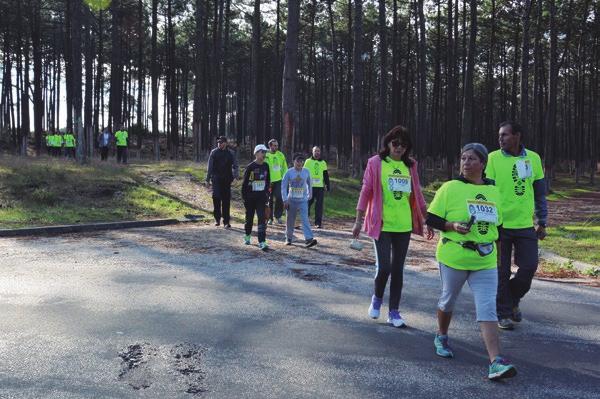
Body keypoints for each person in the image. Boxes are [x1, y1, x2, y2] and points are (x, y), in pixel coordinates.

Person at [426, 143, 517, 381]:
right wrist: (452, 226)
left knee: (487, 308)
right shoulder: (449, 188)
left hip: (484, 260)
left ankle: (496, 361)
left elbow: (498, 226)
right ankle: (441, 334)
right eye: (463, 158)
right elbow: (431, 218)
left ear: (483, 164)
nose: (466, 163)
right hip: (454, 256)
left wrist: (497, 256)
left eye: (472, 159)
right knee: (447, 301)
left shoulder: (494, 191)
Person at [352, 125, 431, 328]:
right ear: (388, 143)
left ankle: (394, 311)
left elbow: (418, 193)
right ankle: (377, 298)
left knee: (398, 269)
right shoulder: (376, 163)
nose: (398, 148)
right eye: (395, 143)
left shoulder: (411, 165)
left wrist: (426, 218)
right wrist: (358, 220)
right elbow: (366, 190)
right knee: (385, 267)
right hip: (382, 224)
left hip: (403, 224)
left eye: (403, 145)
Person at [485, 121, 547, 330]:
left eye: (505, 135)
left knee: (529, 266)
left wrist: (542, 221)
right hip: (500, 225)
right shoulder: (492, 158)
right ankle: (503, 313)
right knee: (501, 272)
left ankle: (511, 299)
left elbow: (539, 192)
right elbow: (487, 190)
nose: (500, 138)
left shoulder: (534, 158)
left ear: (517, 136)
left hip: (524, 225)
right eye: (499, 135)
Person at [281, 153, 317, 248]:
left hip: (303, 200)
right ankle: (288, 238)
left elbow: (310, 183)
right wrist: (285, 200)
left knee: (305, 219)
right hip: (291, 200)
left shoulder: (306, 171)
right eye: (298, 161)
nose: (300, 163)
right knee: (290, 220)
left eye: (302, 161)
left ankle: (309, 239)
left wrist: (310, 194)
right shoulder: (289, 172)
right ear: (294, 161)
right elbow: (283, 187)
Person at [241, 144, 271, 251]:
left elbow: (268, 182)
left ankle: (262, 241)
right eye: (263, 152)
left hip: (261, 198)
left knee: (261, 219)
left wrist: (267, 195)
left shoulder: (266, 166)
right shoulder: (250, 167)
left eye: (265, 152)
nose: (264, 154)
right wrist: (244, 198)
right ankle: (247, 236)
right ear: (257, 153)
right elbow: (244, 184)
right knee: (249, 219)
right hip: (250, 198)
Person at [206, 136, 239, 228]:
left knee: (226, 201)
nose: (219, 144)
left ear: (225, 143)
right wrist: (207, 180)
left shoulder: (231, 153)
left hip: (227, 180)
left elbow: (235, 165)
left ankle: (226, 222)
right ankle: (217, 219)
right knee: (216, 198)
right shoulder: (214, 152)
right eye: (218, 142)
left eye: (221, 142)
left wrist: (236, 176)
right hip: (216, 179)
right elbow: (210, 167)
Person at [305, 146, 330, 228]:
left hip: (320, 187)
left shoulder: (323, 162)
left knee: (319, 205)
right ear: (312, 152)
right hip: (310, 187)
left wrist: (327, 185)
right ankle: (305, 221)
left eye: (318, 151)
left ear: (320, 152)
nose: (317, 152)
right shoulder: (308, 161)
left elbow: (326, 175)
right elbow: (304, 173)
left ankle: (318, 223)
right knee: (307, 204)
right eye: (315, 151)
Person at [264, 139, 287, 224]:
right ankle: (270, 218)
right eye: (274, 145)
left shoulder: (280, 155)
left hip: (279, 180)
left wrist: (285, 178)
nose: (276, 147)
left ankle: (278, 216)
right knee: (269, 200)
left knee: (279, 198)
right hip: (269, 181)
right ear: (270, 146)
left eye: (277, 145)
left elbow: (285, 167)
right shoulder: (265, 155)